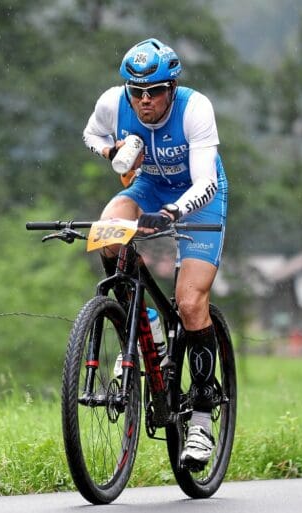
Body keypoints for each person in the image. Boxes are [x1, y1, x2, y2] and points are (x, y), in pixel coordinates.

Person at [82, 38, 228, 468]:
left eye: (155, 91)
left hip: (198, 197)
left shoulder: (194, 108)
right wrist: (110, 151)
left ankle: (201, 416)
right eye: (137, 92)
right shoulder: (113, 102)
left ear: (172, 85)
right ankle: (146, 326)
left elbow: (205, 182)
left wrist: (172, 213)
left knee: (189, 302)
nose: (145, 101)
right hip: (147, 187)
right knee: (107, 234)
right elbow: (91, 134)